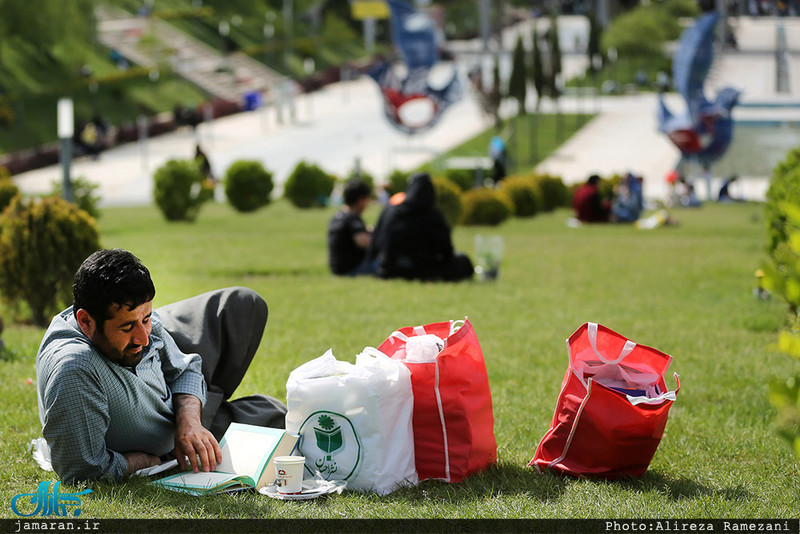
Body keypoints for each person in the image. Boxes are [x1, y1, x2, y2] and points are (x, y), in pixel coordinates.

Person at [36, 249, 286, 483]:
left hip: (175, 407)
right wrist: (143, 462)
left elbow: (185, 368)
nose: (143, 338)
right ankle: (211, 412)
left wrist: (190, 422)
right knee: (278, 417)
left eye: (145, 319)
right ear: (85, 321)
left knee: (242, 304)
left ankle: (204, 415)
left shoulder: (134, 319)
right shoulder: (75, 368)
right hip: (162, 438)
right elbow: (82, 470)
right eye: (127, 327)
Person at [368, 172, 473, 281]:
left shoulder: (391, 211)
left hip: (390, 269)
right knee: (462, 260)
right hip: (423, 270)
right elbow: (446, 249)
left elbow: (376, 241)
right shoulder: (432, 215)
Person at [327, 179, 374, 276]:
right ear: (361, 200)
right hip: (353, 269)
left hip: (338, 269)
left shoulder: (338, 216)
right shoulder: (352, 218)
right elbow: (364, 242)